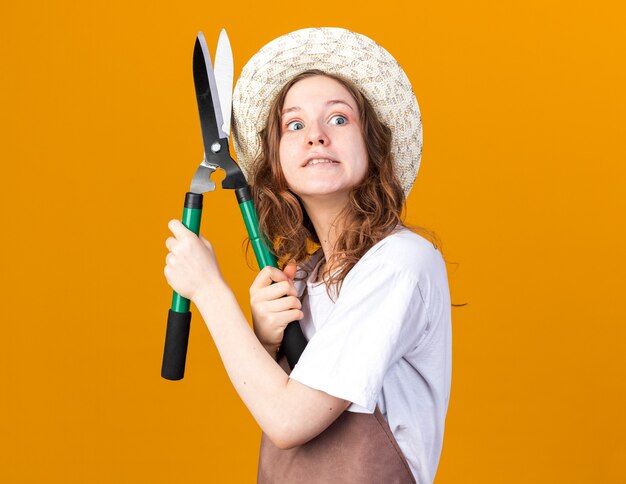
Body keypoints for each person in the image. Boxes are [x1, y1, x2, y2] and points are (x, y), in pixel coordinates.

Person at [164, 27, 452, 484]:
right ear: (277, 162)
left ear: (373, 148)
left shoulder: (399, 263)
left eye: (338, 119)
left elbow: (288, 420)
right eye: (294, 125)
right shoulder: (304, 279)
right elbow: (277, 401)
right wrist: (266, 340)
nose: (316, 136)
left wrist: (208, 290)